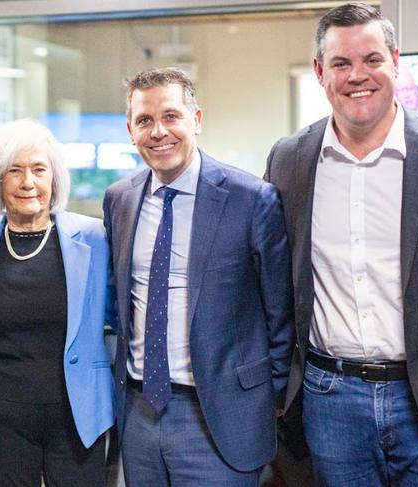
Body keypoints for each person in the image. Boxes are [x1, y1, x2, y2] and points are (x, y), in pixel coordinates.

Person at [264, 3, 418, 485]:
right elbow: (273, 279)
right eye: (341, 64)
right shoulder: (289, 159)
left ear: (395, 61)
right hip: (330, 402)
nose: (357, 76)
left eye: (371, 60)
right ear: (321, 72)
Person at [103, 67, 294, 486]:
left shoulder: (251, 199)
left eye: (171, 116)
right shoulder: (119, 199)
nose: (159, 132)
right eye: (145, 121)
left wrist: (267, 398)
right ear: (130, 131)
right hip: (138, 411)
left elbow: (282, 311)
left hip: (219, 416)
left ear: (197, 120)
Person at [0, 118, 114, 486]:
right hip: (0, 423)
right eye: (15, 171)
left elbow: (120, 316)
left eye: (39, 170)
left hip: (78, 421)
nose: (28, 183)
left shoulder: (93, 238)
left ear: (54, 178)